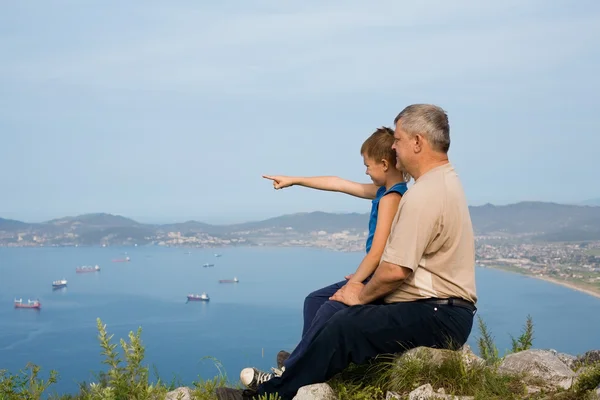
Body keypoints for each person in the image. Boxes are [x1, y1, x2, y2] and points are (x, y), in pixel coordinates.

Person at [216, 104, 478, 400]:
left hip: (438, 313)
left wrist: (360, 294)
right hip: (438, 308)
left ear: (417, 142)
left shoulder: (425, 194)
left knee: (344, 322)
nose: (394, 145)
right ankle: (305, 365)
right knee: (331, 308)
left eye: (399, 139)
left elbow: (395, 270)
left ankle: (268, 395)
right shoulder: (441, 182)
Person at [260, 127, 410, 376]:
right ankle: (305, 356)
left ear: (384, 164)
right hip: (372, 273)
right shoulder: (384, 192)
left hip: (379, 276)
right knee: (315, 300)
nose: (365, 171)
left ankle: (296, 368)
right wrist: (295, 180)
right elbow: (338, 183)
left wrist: (357, 281)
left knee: (329, 308)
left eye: (367, 165)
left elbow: (376, 253)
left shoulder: (391, 199)